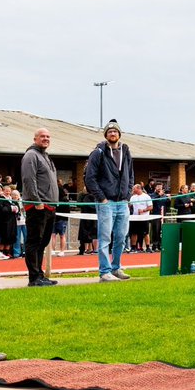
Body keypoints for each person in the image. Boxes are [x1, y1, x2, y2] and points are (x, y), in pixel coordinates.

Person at [85, 120, 134, 282]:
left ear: (119, 134)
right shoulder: (98, 152)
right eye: (109, 132)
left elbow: (130, 175)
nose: (113, 134)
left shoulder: (126, 151)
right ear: (106, 135)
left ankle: (116, 267)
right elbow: (89, 178)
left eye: (115, 131)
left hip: (122, 202)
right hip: (106, 202)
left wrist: (127, 196)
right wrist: (102, 198)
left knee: (121, 237)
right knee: (105, 238)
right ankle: (104, 271)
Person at [21, 128, 59, 287]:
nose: (46, 138)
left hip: (49, 206)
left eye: (48, 136)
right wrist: (37, 201)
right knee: (34, 241)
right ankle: (34, 277)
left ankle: (40, 275)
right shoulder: (31, 156)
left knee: (42, 243)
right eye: (42, 136)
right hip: (37, 207)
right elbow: (29, 180)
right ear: (35, 138)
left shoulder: (46, 157)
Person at [130, 183, 153, 252]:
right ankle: (133, 247)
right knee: (134, 233)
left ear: (139, 188)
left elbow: (151, 207)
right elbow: (129, 205)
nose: (133, 190)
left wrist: (143, 210)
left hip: (144, 217)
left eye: (134, 189)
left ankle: (148, 247)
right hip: (135, 217)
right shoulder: (133, 197)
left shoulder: (146, 196)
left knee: (145, 233)